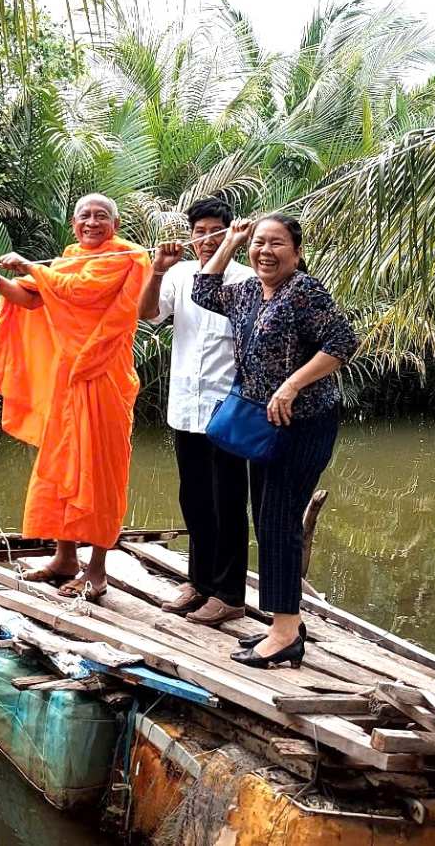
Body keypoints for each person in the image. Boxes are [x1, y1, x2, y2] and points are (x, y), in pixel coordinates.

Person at [0, 194, 150, 599]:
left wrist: (29, 265)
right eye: (86, 216)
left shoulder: (127, 258)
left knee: (100, 472)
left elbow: (80, 292)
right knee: (62, 464)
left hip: (103, 376)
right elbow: (30, 299)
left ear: (114, 225)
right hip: (65, 380)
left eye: (103, 216)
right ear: (73, 223)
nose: (93, 222)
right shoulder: (65, 260)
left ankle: (97, 570)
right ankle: (65, 557)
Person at [192, 213, 357, 667]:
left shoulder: (304, 291)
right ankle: (286, 625)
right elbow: (202, 289)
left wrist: (293, 384)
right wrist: (231, 239)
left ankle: (284, 632)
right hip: (263, 423)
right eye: (259, 243)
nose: (266, 251)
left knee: (279, 521)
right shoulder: (247, 291)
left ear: (297, 252)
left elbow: (342, 342)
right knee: (269, 521)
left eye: (277, 243)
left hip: (304, 423)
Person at [138, 197, 253, 626]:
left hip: (229, 408)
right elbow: (146, 313)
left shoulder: (245, 278)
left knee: (228, 501)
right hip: (186, 406)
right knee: (195, 498)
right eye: (199, 231)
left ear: (231, 233)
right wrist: (157, 269)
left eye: (214, 231)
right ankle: (199, 582)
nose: (206, 239)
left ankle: (229, 594)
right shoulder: (180, 275)